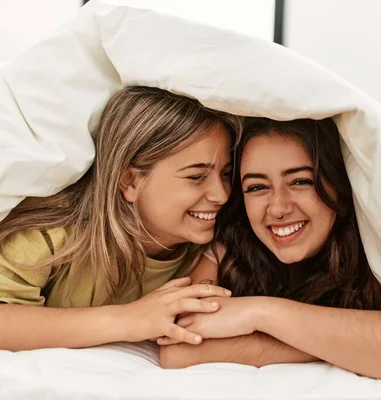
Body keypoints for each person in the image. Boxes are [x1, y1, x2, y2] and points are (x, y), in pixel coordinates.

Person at [160, 118, 381, 383]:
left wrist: (260, 313)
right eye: (257, 187)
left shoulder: (376, 248)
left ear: (339, 185)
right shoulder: (233, 247)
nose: (278, 208)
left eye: (300, 181)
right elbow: (179, 349)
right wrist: (352, 345)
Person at [0, 86, 242, 351]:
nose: (221, 194)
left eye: (226, 174)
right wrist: (129, 319)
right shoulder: (52, 233)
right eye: (196, 177)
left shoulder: (215, 249)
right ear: (130, 181)